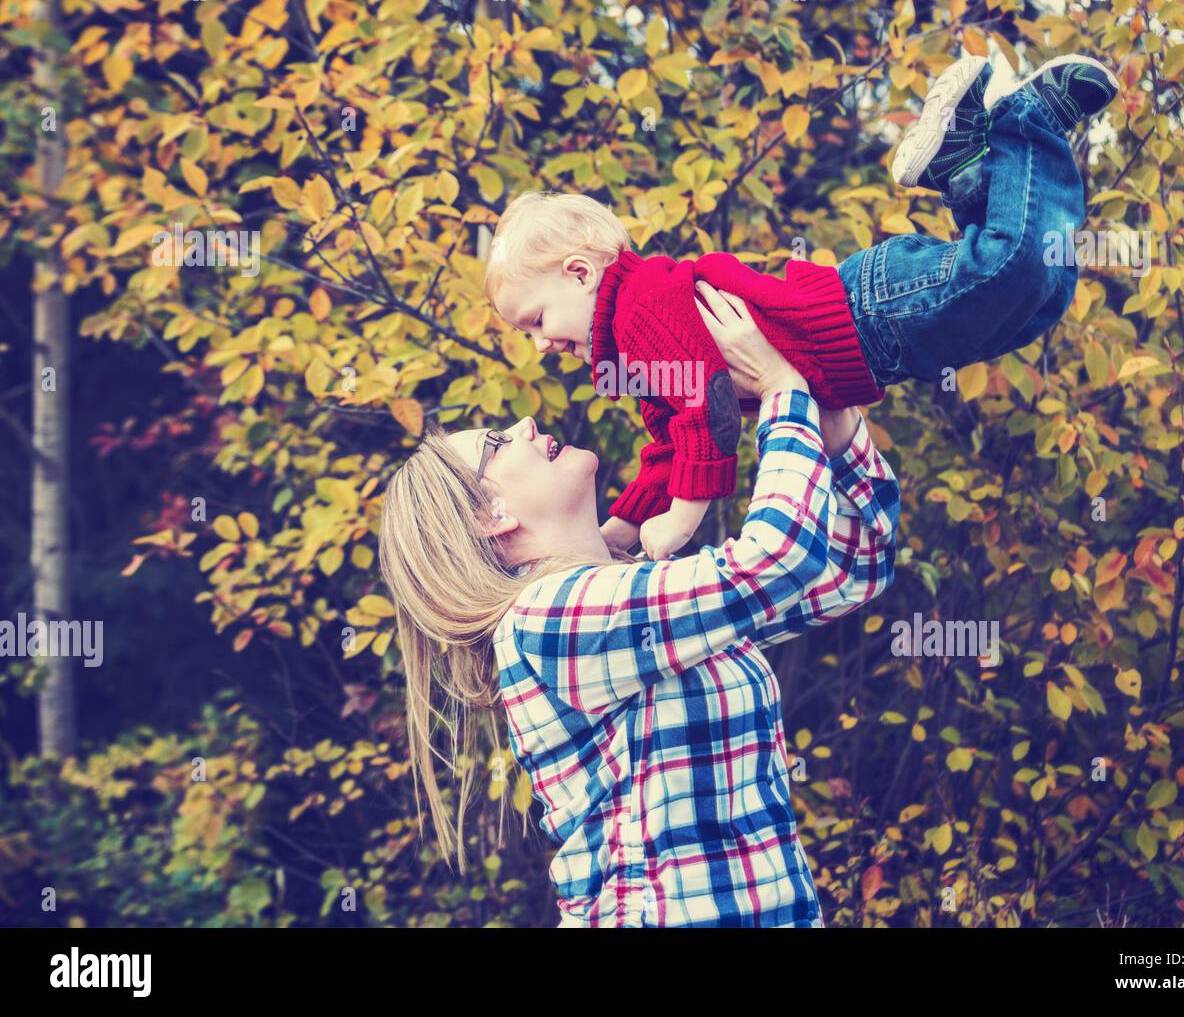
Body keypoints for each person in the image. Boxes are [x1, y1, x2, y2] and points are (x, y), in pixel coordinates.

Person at [378, 283, 900, 926]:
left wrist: (836, 426)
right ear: (490, 517)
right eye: (495, 445)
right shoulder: (547, 622)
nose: (523, 425)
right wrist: (780, 389)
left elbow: (854, 570)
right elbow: (776, 558)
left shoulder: (626, 592)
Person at [481, 53, 1118, 558]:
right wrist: (625, 521)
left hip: (865, 313)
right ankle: (965, 164)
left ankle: (1024, 119)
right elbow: (671, 443)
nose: (538, 344)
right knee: (1038, 301)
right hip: (877, 341)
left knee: (1011, 270)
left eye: (535, 320)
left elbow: (711, 406)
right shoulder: (631, 344)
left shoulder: (641, 305)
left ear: (579, 272)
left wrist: (682, 517)